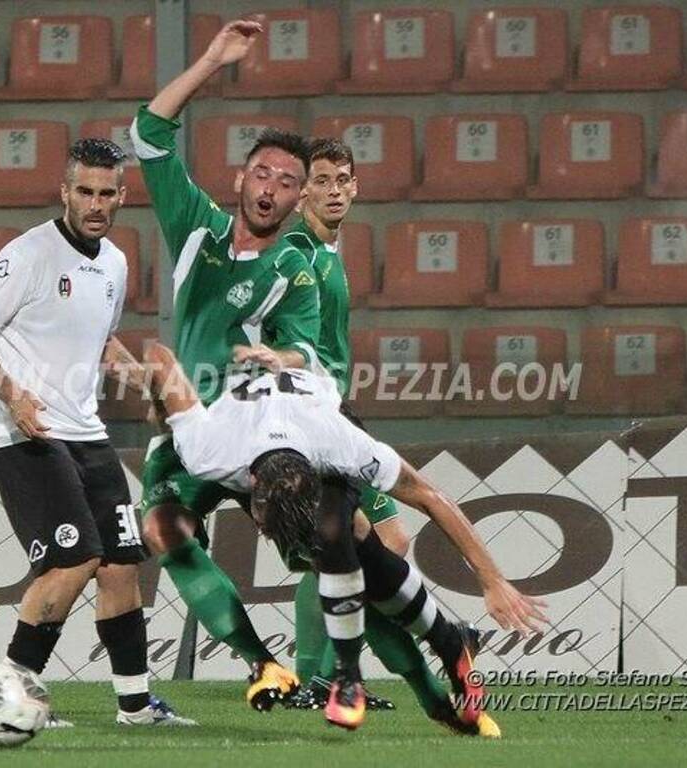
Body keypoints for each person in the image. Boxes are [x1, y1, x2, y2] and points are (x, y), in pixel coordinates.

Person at [142, 342, 549, 733]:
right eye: (263, 520)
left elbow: (430, 497)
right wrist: (158, 406)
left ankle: (348, 676)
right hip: (263, 429)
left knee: (333, 533)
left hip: (319, 421)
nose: (261, 530)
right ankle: (449, 646)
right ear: (250, 482)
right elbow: (158, 356)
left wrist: (492, 581)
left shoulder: (342, 446)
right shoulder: (207, 450)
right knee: (360, 554)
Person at [0, 138, 194, 727]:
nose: (95, 202)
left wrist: (140, 378)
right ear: (64, 191)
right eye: (83, 191)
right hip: (28, 432)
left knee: (119, 566)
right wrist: (13, 395)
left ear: (121, 196)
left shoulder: (114, 262)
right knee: (74, 561)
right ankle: (9, 696)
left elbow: (100, 341)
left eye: (106, 193)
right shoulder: (28, 255)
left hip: (88, 433)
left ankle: (135, 706)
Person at [130, 20, 322, 709]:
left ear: (299, 200)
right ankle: (262, 664)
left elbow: (312, 349)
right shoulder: (196, 229)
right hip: (188, 424)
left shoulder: (294, 266)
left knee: (328, 544)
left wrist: (281, 355)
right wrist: (212, 59)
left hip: (256, 428)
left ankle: (326, 679)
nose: (272, 186)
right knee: (160, 527)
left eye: (288, 181)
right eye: (263, 172)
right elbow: (149, 134)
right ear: (242, 178)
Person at [282, 140, 456, 729]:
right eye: (322, 180)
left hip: (334, 413)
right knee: (361, 544)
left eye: (343, 180)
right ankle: (319, 677)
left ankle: (332, 674)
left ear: (356, 187)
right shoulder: (296, 252)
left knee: (377, 541)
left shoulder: (329, 249)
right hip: (313, 418)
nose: (334, 189)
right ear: (301, 190)